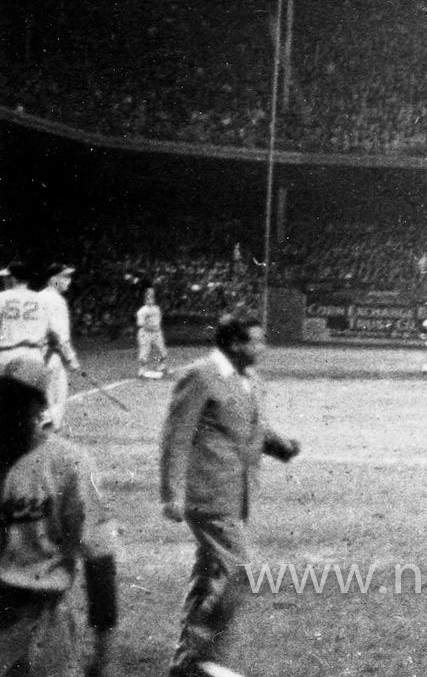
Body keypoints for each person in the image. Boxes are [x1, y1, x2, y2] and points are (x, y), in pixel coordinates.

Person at [160, 315, 301, 677]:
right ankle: (205, 657)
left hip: (237, 493)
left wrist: (280, 446)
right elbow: (176, 435)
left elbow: (251, 425)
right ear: (235, 344)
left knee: (207, 577)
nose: (263, 348)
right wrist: (171, 492)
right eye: (256, 341)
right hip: (207, 492)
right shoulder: (200, 375)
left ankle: (185, 663)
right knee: (240, 571)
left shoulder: (250, 379)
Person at [0, 354, 119, 677]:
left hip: (42, 615)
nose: (2, 412)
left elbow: (99, 556)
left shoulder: (68, 464)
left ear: (39, 407)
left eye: (14, 403)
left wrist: (104, 645)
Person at [0, 262, 53, 382]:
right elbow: (49, 332)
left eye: (6, 278)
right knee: (25, 398)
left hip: (5, 354)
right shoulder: (42, 300)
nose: (4, 281)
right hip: (33, 355)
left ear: (13, 279)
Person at [37, 263, 81, 431]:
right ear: (54, 279)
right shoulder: (57, 301)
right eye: (65, 277)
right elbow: (60, 335)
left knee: (45, 397)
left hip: (35, 354)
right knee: (57, 398)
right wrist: (71, 358)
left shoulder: (38, 297)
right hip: (50, 355)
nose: (68, 281)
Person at [136, 286, 169, 379]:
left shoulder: (157, 309)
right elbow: (141, 324)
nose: (150, 299)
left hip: (157, 332)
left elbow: (158, 320)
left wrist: (156, 328)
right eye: (148, 298)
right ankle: (142, 369)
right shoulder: (142, 311)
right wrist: (150, 327)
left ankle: (162, 366)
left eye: (152, 298)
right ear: (145, 299)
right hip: (146, 333)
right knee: (144, 352)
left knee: (162, 351)